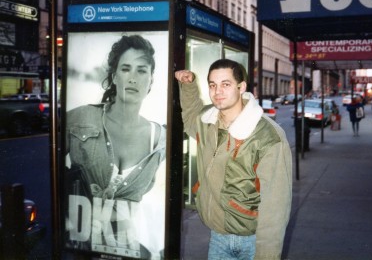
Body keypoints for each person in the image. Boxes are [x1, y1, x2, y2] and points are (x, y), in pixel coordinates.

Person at [175, 59, 292, 260]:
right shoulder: (207, 122)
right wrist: (189, 84)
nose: (217, 91)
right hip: (218, 236)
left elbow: (275, 207)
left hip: (253, 240)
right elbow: (191, 116)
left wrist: (266, 256)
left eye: (225, 84)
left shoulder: (268, 135)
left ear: (241, 87)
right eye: (213, 85)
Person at [65, 35, 166, 258]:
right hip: (82, 247)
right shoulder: (81, 117)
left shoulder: (159, 138)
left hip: (129, 248)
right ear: (114, 77)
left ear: (151, 81)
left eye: (141, 71)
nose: (133, 78)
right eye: (125, 69)